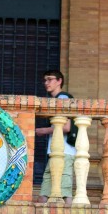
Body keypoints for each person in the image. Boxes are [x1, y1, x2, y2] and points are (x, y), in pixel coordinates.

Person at [35, 70, 76, 205]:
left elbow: (66, 127)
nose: (46, 83)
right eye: (45, 80)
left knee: (64, 194)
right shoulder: (55, 100)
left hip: (64, 152)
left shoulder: (62, 99)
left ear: (59, 81)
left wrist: (43, 130)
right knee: (44, 194)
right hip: (56, 153)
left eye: (50, 79)